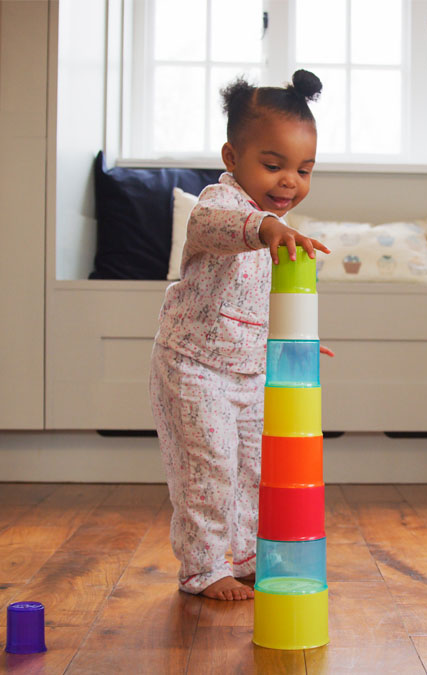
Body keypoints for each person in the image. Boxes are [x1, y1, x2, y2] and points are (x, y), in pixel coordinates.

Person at [150, 70, 331, 601]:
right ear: (232, 157)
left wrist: (299, 342)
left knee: (256, 468)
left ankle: (250, 555)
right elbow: (212, 227)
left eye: (303, 170)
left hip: (250, 370)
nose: (290, 181)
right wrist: (265, 228)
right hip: (195, 365)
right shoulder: (222, 204)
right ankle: (203, 568)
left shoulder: (276, 230)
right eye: (273, 166)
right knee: (209, 469)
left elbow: (260, 304)